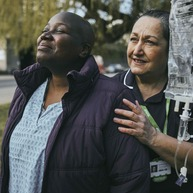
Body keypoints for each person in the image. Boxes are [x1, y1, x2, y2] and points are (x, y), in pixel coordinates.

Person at [0, 11, 150, 193]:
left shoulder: (114, 99)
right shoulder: (25, 91)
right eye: (45, 29)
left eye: (59, 30)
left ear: (83, 49)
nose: (45, 35)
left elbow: (129, 181)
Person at [113, 10, 193, 193]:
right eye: (134, 39)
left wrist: (152, 137)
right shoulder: (108, 91)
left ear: (171, 50)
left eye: (149, 42)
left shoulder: (188, 93)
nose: (137, 50)